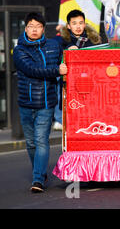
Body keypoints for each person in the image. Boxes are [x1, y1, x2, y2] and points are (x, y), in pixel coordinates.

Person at [12, 12, 67, 193]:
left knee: (41, 141)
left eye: (38, 26)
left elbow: (69, 44)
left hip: (46, 103)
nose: (34, 30)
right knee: (31, 143)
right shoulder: (19, 50)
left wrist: (73, 48)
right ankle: (40, 171)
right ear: (25, 28)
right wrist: (56, 70)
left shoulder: (53, 45)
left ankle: (38, 179)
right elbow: (32, 69)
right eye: (31, 26)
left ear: (43, 29)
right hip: (26, 104)